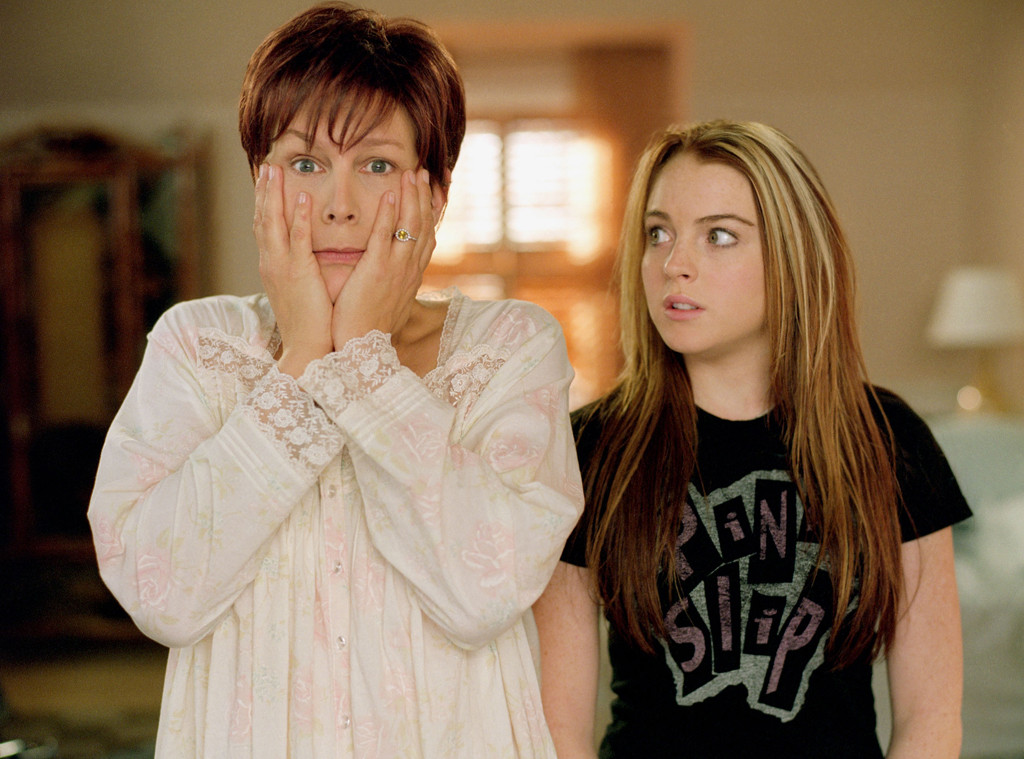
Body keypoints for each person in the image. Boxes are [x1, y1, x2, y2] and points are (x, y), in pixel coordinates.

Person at [87, 4, 583, 757]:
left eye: (377, 166)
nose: (339, 206)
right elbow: (164, 597)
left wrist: (361, 359)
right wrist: (303, 358)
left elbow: (484, 596)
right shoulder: (197, 344)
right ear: (261, 181)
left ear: (436, 193)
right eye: (306, 164)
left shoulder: (511, 347)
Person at [532, 120, 971, 759]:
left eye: (719, 236)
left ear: (792, 256)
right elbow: (557, 732)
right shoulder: (591, 447)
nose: (674, 265)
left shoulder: (887, 439)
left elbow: (931, 719)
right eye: (658, 233)